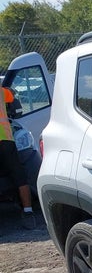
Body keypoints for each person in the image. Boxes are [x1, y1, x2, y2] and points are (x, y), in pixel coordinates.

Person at [0, 86, 35, 229]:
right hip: (6, 138)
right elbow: (13, 100)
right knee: (18, 174)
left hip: (5, 138)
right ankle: (28, 211)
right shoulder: (2, 91)